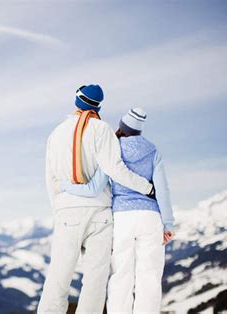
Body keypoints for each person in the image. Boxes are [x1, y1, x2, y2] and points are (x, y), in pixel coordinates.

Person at [37, 85, 155, 313]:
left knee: (58, 276)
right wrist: (147, 188)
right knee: (95, 279)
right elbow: (115, 169)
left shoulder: (56, 134)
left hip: (66, 211)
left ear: (76, 100)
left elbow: (50, 179)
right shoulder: (102, 129)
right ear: (98, 106)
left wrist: (59, 210)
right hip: (99, 213)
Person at [60, 108, 175, 313]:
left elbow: (94, 188)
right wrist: (168, 223)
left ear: (121, 127)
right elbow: (162, 190)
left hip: (122, 218)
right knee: (149, 275)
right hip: (150, 217)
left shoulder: (112, 150)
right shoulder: (153, 151)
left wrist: (66, 186)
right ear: (140, 131)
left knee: (120, 273)